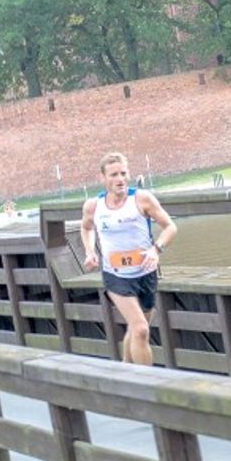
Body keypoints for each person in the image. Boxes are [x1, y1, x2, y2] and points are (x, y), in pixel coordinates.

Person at [81, 152, 177, 366]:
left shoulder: (142, 199)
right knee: (141, 329)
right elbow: (86, 228)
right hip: (116, 276)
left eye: (123, 173)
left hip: (146, 273)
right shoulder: (94, 206)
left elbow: (170, 227)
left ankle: (125, 367)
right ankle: (146, 387)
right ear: (103, 178)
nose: (120, 179)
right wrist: (90, 251)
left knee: (136, 328)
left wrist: (156, 250)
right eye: (114, 174)